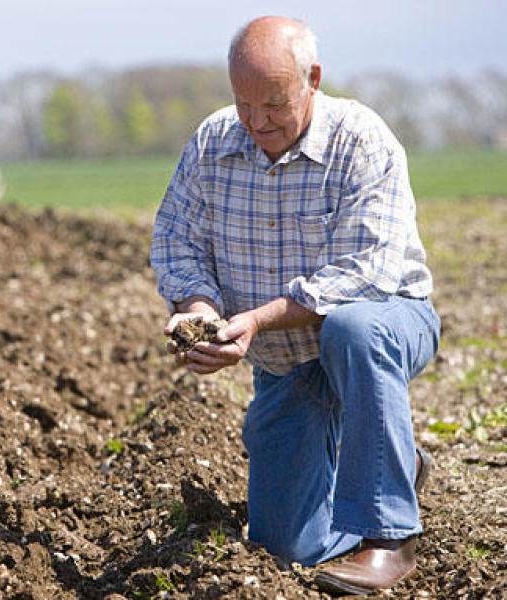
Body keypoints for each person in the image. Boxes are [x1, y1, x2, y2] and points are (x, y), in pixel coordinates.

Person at [150, 15, 440, 595]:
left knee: (353, 331)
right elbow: (176, 239)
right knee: (287, 546)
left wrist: (256, 319)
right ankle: (392, 464)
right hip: (287, 361)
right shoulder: (213, 144)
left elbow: (365, 273)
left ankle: (389, 535)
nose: (258, 122)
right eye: (243, 104)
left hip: (383, 321)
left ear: (313, 78)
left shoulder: (361, 141)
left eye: (274, 104)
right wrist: (200, 311)